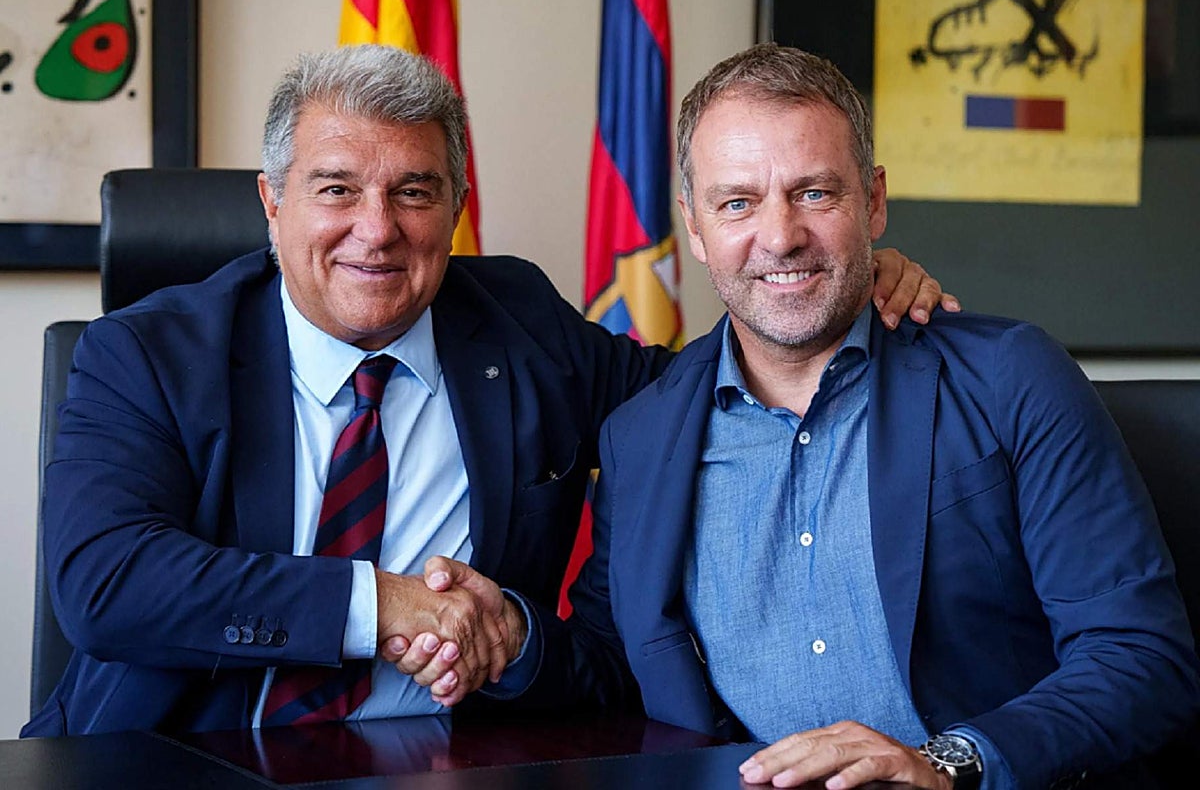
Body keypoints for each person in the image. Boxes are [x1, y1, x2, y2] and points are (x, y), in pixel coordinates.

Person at [22, 44, 948, 737]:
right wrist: (378, 605)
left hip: (451, 761)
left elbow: (712, 395)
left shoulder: (517, 325)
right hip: (170, 758)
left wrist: (833, 282)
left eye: (415, 192)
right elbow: (106, 583)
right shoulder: (143, 354)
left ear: (458, 204)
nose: (376, 231)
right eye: (336, 189)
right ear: (272, 202)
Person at [408, 43, 1200, 788]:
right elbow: (618, 663)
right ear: (694, 223)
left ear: (875, 200)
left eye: (814, 192)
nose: (780, 237)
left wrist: (951, 762)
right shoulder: (642, 433)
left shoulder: (1009, 377)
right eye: (738, 201)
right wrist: (513, 637)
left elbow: (1142, 657)